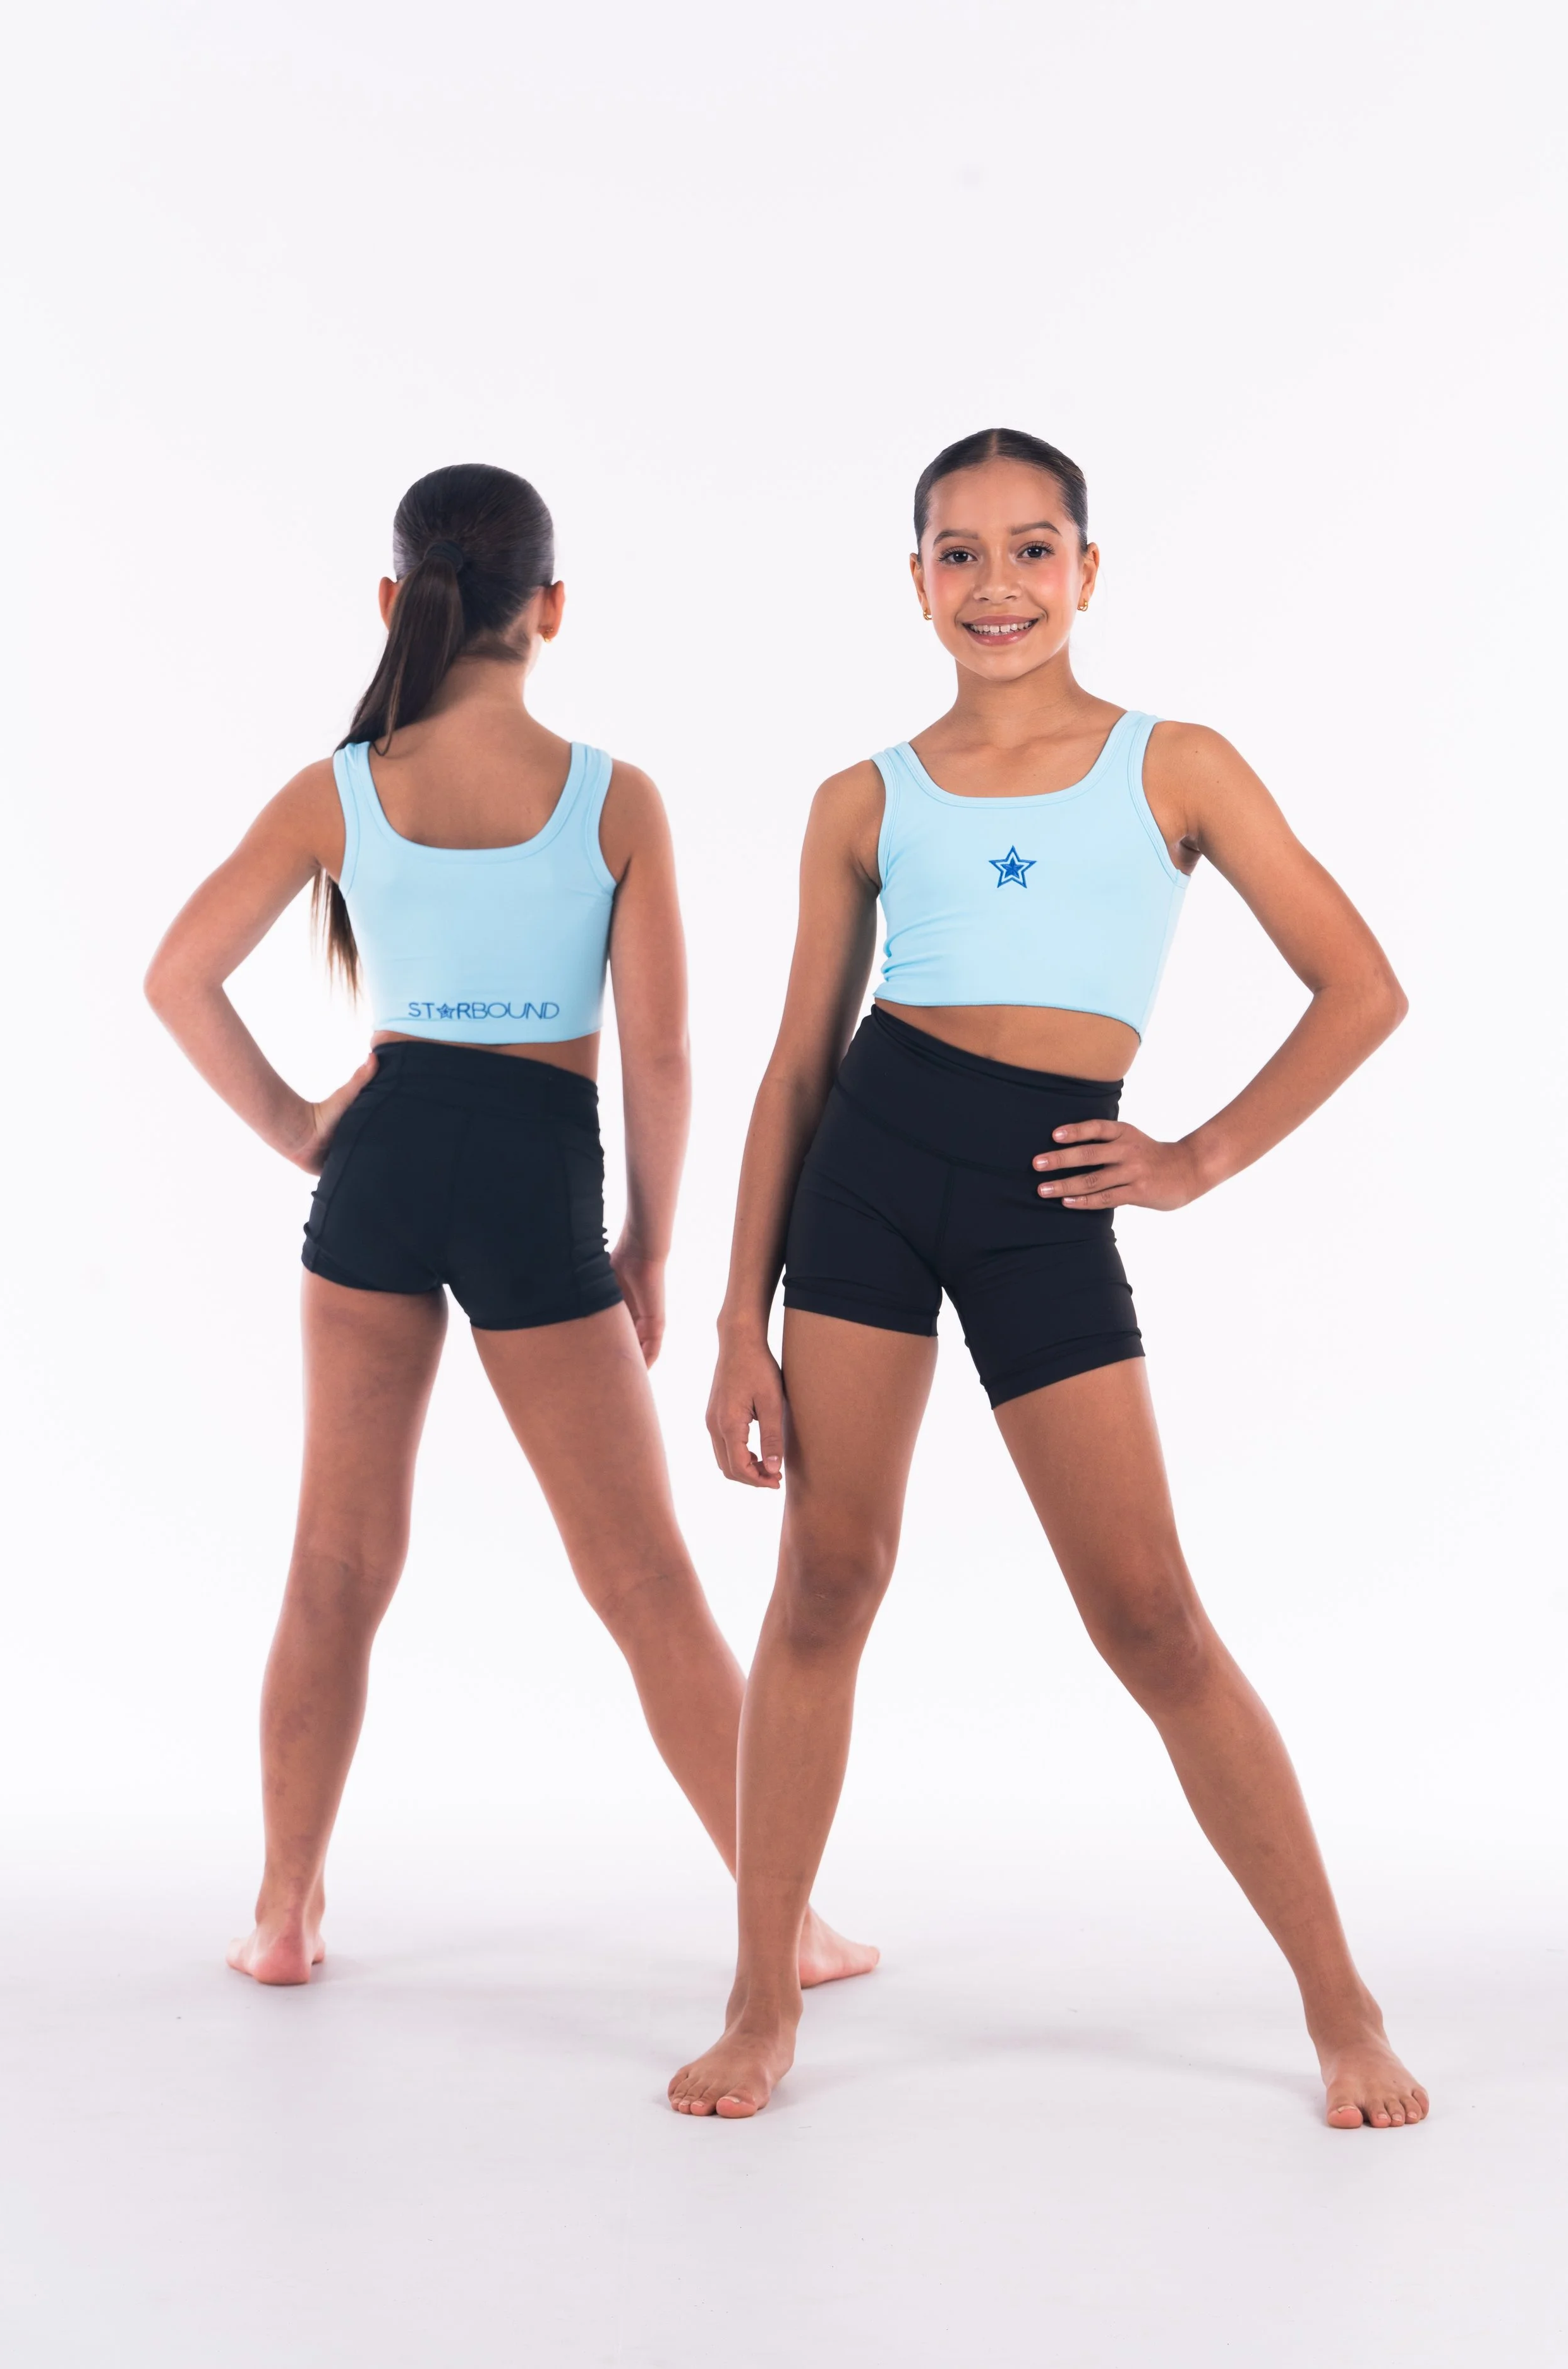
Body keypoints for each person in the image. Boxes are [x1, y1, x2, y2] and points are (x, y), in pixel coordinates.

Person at [670, 428, 1428, 2128]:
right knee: (824, 1578)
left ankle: (1341, 1999)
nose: (994, 584)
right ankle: (755, 1994)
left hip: (1043, 1194)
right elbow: (796, 1062)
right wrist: (736, 1310)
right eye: (957, 552)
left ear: (1087, 570)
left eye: (1030, 548)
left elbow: (1358, 985)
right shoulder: (861, 795)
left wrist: (1196, 1155)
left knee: (1148, 1613)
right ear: (916, 578)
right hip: (865, 1179)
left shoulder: (1178, 766)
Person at [145, 462, 872, 1991]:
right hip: (535, 1167)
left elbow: (177, 975)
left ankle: (284, 1914)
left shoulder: (338, 789)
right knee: (645, 1582)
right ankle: (783, 1920)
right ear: (550, 610)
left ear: (397, 602)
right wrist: (651, 1247)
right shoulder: (612, 796)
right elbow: (663, 1053)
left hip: (387, 1161)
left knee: (333, 1568)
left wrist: (299, 1131)